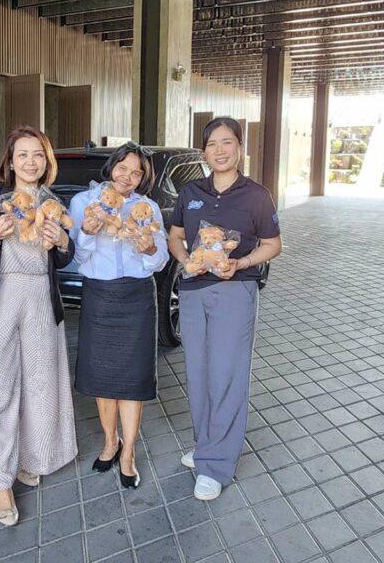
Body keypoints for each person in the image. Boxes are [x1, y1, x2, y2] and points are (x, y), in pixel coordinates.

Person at [0, 126, 77, 526]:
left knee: (40, 383)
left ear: (47, 161)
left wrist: (63, 241)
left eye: (38, 154)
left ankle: (31, 457)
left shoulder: (53, 201)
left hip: (40, 295)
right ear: (10, 161)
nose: (30, 162)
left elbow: (65, 256)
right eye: (22, 154)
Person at [168, 117, 282, 500]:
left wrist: (242, 262)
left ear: (239, 147)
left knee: (227, 375)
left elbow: (273, 244)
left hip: (236, 291)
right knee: (198, 373)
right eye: (212, 144)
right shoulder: (190, 191)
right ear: (204, 152)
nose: (220, 150)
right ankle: (206, 447)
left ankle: (216, 465)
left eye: (227, 142)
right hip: (193, 290)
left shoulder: (257, 195)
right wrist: (186, 259)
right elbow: (175, 236)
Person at [67, 142, 169, 489]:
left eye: (136, 173)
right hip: (100, 297)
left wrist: (150, 247)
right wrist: (88, 230)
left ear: (142, 179)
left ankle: (128, 454)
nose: (127, 177)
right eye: (122, 168)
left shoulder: (147, 208)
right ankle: (110, 442)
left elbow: (160, 261)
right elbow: (76, 258)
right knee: (103, 377)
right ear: (111, 167)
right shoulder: (84, 203)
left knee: (133, 380)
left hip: (137, 298)